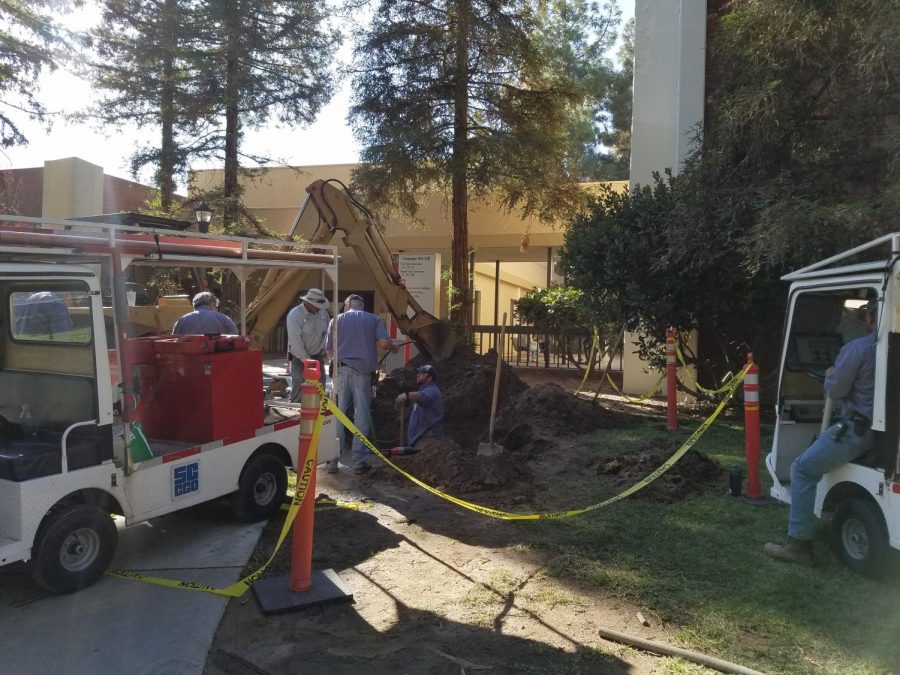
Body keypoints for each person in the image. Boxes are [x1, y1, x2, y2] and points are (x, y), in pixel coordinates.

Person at [764, 299, 877, 566]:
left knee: (802, 469)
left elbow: (835, 391)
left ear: (871, 319)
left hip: (858, 432)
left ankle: (798, 545)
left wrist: (830, 374)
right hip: (883, 434)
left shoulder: (858, 349)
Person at [324, 294, 398, 474]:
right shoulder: (372, 319)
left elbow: (328, 350)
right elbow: (382, 343)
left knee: (338, 417)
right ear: (362, 306)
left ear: (347, 305)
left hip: (340, 372)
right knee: (362, 416)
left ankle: (332, 461)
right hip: (362, 374)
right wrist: (393, 347)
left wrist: (337, 363)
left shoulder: (336, 320)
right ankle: (359, 463)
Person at [286, 288, 330, 401]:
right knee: (299, 386)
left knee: (320, 388)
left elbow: (327, 333)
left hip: (317, 356)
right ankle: (296, 412)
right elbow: (296, 342)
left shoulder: (323, 313)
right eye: (317, 306)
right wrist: (307, 361)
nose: (319, 309)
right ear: (308, 302)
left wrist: (326, 349)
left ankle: (320, 415)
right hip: (299, 358)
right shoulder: (295, 315)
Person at [395, 364, 444, 447]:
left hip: (428, 440)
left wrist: (405, 396)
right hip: (419, 439)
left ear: (430, 378)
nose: (418, 375)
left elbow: (422, 396)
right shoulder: (424, 391)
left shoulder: (432, 391)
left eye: (422, 374)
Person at [172, 291, 238, 335]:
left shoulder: (181, 321)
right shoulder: (224, 319)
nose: (216, 309)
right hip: (218, 355)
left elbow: (174, 340)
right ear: (211, 303)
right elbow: (235, 336)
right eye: (216, 306)